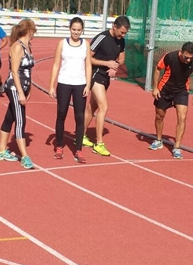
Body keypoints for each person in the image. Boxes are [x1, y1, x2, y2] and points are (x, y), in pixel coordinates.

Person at [82, 16, 131, 156]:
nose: (123, 35)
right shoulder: (101, 38)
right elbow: (88, 58)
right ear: (114, 26)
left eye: (125, 33)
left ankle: (80, 135)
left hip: (106, 77)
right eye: (121, 32)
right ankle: (99, 143)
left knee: (92, 107)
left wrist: (115, 66)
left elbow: (122, 59)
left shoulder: (121, 41)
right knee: (104, 106)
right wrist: (107, 63)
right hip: (95, 74)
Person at [148, 42, 193, 159]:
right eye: (186, 57)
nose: (188, 60)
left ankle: (177, 147)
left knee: (182, 117)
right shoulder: (170, 57)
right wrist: (155, 88)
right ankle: (158, 140)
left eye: (190, 58)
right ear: (181, 52)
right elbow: (158, 69)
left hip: (181, 91)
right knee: (159, 116)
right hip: (165, 89)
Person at [48, 17, 92, 163]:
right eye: (74, 29)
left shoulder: (85, 44)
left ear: (82, 30)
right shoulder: (62, 43)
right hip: (64, 83)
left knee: (79, 117)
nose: (76, 32)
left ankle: (78, 150)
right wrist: (51, 85)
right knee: (61, 113)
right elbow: (55, 65)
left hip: (80, 84)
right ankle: (59, 146)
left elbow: (88, 66)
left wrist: (88, 85)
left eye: (79, 30)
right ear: (70, 29)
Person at [0, 19, 36, 169]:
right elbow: (14, 71)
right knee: (20, 120)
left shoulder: (28, 46)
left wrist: (28, 89)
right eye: (34, 31)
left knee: (10, 117)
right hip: (13, 87)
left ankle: (1, 150)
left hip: (23, 87)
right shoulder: (17, 47)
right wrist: (20, 92)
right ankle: (25, 156)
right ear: (29, 31)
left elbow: (28, 71)